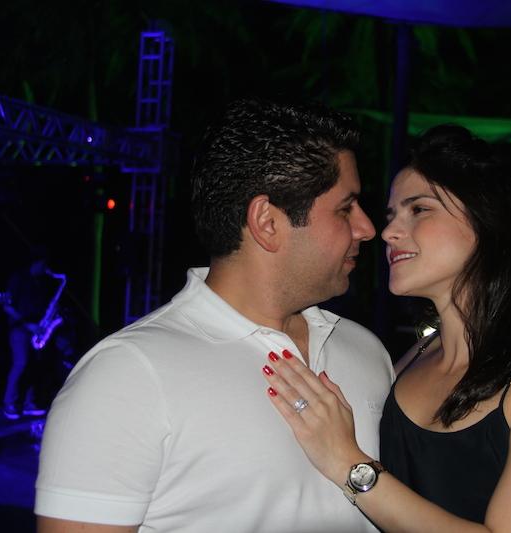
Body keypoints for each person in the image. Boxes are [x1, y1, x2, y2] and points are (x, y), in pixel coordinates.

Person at [35, 99, 394, 532]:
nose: (367, 228)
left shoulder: (366, 350)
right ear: (267, 222)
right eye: (345, 208)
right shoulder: (128, 375)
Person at [262, 125, 511, 531]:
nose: (388, 232)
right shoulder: (413, 357)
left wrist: (349, 465)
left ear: (486, 220)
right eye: (392, 215)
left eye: (419, 209)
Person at [2, 248, 60, 419]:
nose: (46, 268)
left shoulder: (41, 282)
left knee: (33, 367)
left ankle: (28, 404)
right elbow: (7, 307)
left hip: (37, 329)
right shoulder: (18, 278)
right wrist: (27, 324)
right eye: (44, 264)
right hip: (20, 328)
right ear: (37, 262)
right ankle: (8, 403)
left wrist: (51, 315)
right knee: (20, 364)